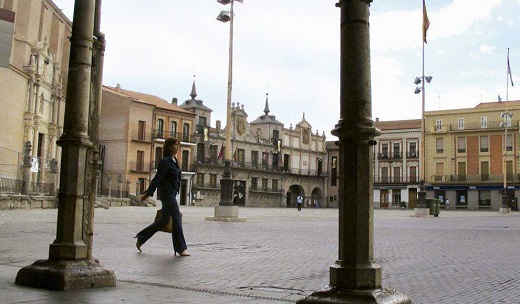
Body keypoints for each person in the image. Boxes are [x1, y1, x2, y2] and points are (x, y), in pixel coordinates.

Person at [135, 137, 190, 256]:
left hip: (172, 193)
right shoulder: (165, 162)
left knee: (164, 220)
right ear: (169, 147)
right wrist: (148, 194)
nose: (177, 148)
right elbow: (157, 178)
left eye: (178, 145)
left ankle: (141, 237)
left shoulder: (174, 160)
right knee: (176, 218)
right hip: (166, 194)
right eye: (175, 145)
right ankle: (180, 248)